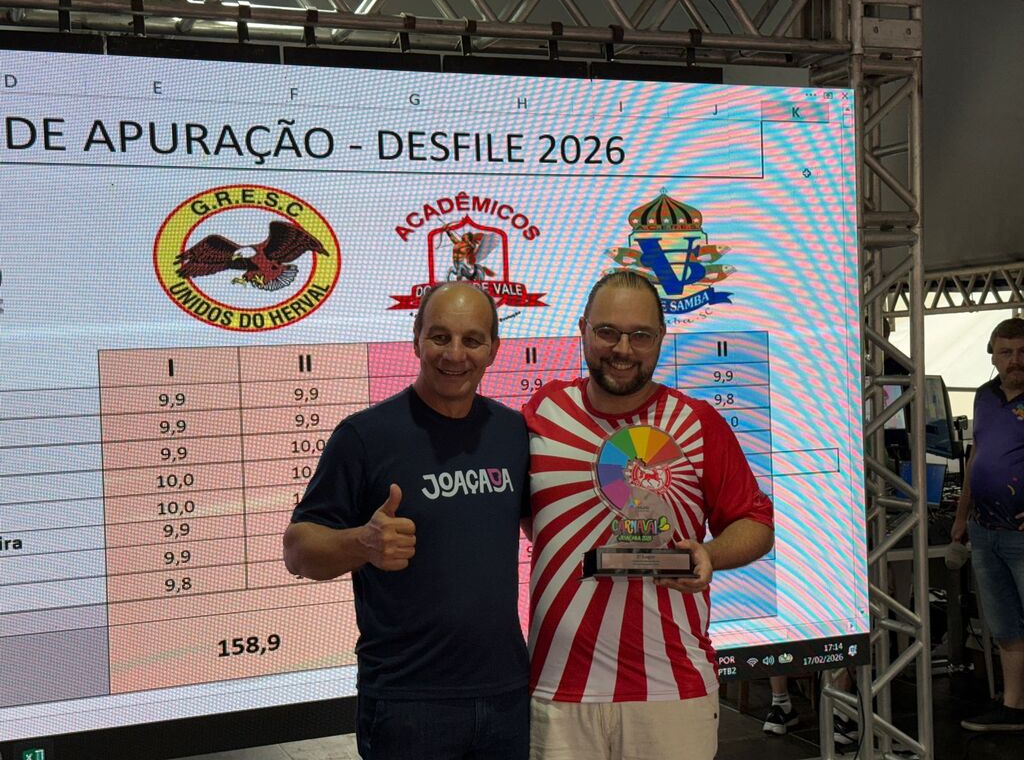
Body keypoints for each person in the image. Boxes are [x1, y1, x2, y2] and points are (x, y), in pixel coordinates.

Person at [523, 270, 775, 760]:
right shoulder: (543, 412)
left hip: (672, 689)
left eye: (640, 335)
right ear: (582, 329)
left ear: (660, 338)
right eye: (608, 332)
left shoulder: (698, 422)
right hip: (558, 689)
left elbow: (755, 524)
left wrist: (710, 554)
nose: (623, 349)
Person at [283, 282, 530, 759]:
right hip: (407, 702)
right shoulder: (365, 436)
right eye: (440, 337)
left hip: (507, 695)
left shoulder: (512, 432)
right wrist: (363, 543)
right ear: (416, 339)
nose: (454, 354)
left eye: (472, 340)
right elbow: (298, 551)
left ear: (494, 349)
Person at [952, 317, 1024, 732]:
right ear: (992, 356)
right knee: (1005, 624)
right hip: (985, 530)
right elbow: (976, 456)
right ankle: (1014, 706)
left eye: (1022, 351)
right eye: (1006, 352)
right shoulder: (984, 396)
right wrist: (962, 517)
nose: (1015, 360)